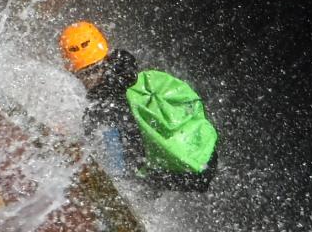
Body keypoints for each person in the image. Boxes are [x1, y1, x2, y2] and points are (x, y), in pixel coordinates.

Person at [59, 21, 218, 191]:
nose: (88, 79)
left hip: (185, 172)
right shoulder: (138, 77)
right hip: (204, 152)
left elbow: (118, 171)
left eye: (88, 72)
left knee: (138, 180)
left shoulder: (103, 109)